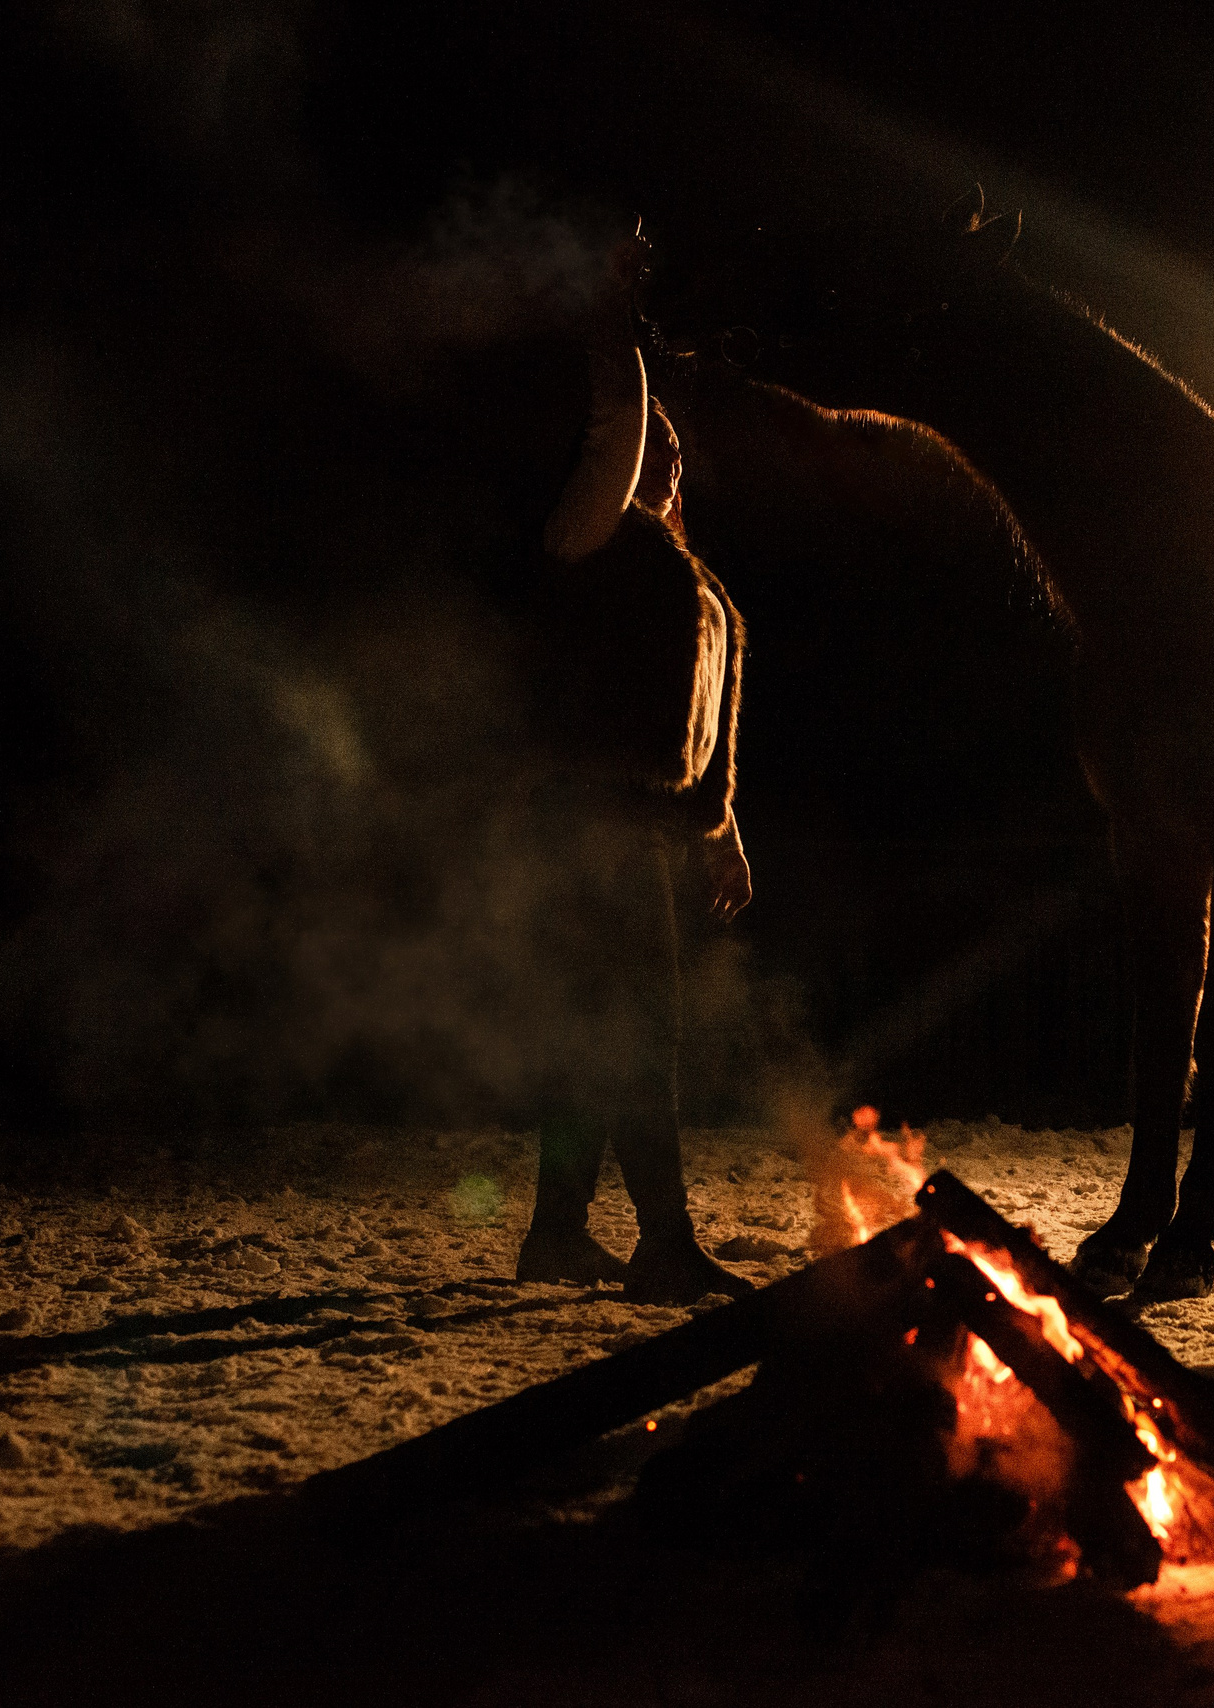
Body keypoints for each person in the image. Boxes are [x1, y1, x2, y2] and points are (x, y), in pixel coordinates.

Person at [511, 247, 755, 1302]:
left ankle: (555, 1235)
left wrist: (724, 832)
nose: (665, 456)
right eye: (654, 446)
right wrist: (611, 304)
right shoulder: (588, 534)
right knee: (639, 1033)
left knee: (598, 1037)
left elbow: (701, 725)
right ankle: (662, 1242)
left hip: (637, 829)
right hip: (584, 825)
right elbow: (618, 407)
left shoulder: (680, 572)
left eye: (671, 448)